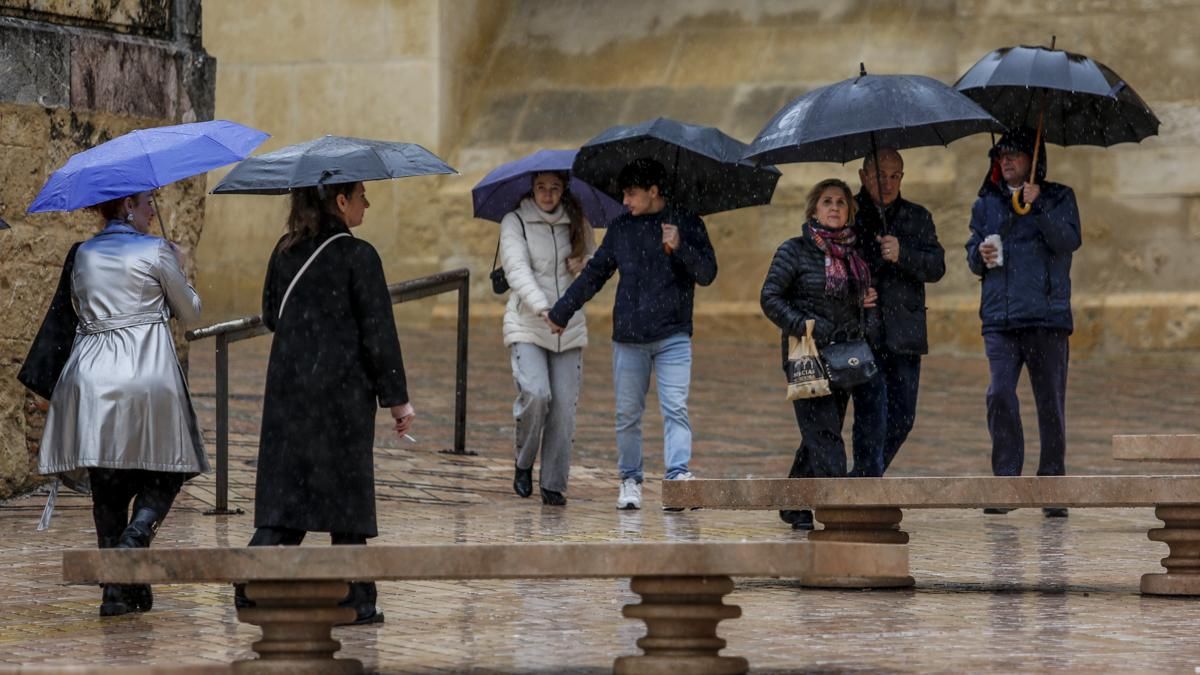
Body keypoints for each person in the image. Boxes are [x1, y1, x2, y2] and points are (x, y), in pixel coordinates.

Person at [239, 180, 415, 624]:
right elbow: (379, 335)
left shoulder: (285, 250)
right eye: (360, 196)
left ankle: (251, 578)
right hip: (341, 396)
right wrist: (397, 400)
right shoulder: (359, 256)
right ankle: (355, 598)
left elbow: (271, 314)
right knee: (347, 501)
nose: (366, 204)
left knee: (288, 497)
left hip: (291, 391)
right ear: (340, 202)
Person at [33, 190, 208, 616]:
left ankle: (117, 589)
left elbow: (75, 310)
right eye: (148, 202)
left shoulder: (82, 254)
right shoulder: (156, 250)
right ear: (127, 205)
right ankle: (138, 535)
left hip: (91, 378)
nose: (154, 209)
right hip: (147, 376)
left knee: (108, 485)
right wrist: (179, 270)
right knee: (168, 468)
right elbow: (192, 313)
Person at [545, 158, 717, 511]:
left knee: (675, 409)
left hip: (673, 336)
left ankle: (677, 479)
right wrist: (562, 311)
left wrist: (680, 245)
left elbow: (707, 273)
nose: (625, 201)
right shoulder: (621, 229)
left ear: (654, 192)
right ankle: (630, 479)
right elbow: (595, 274)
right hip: (629, 339)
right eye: (624, 193)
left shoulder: (686, 222)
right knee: (627, 414)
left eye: (632, 193)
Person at [965, 127, 1081, 518]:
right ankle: (1007, 481)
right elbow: (971, 255)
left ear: (1034, 159)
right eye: (1001, 155)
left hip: (1046, 317)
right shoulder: (986, 203)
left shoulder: (1060, 196)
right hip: (999, 316)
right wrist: (979, 254)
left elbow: (1068, 241)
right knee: (999, 394)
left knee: (1050, 403)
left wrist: (1040, 206)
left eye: (1015, 154)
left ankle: (1052, 484)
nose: (1007, 160)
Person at [760, 178, 886, 530]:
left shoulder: (854, 257)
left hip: (843, 355)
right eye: (827, 202)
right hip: (805, 352)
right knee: (825, 433)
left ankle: (793, 503)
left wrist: (866, 308)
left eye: (841, 203)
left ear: (849, 211)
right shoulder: (794, 250)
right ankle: (839, 511)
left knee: (819, 432)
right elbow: (770, 298)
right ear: (814, 209)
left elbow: (860, 305)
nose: (834, 208)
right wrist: (805, 324)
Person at [499, 171, 596, 506]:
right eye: (541, 187)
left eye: (555, 188)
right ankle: (523, 461)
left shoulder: (578, 222)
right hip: (528, 322)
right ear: (531, 188)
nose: (548, 194)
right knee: (536, 394)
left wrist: (583, 265)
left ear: (564, 189)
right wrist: (543, 308)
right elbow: (516, 268)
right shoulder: (515, 222)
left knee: (564, 409)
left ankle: (554, 483)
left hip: (569, 326)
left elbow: (598, 267)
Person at [854, 149, 946, 473]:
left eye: (896, 176)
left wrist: (902, 253)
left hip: (905, 332)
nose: (889, 183)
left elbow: (936, 267)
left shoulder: (917, 217)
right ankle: (864, 486)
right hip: (863, 331)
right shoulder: (849, 214)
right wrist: (856, 291)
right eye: (881, 175)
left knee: (902, 417)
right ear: (863, 176)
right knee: (871, 414)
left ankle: (864, 478)